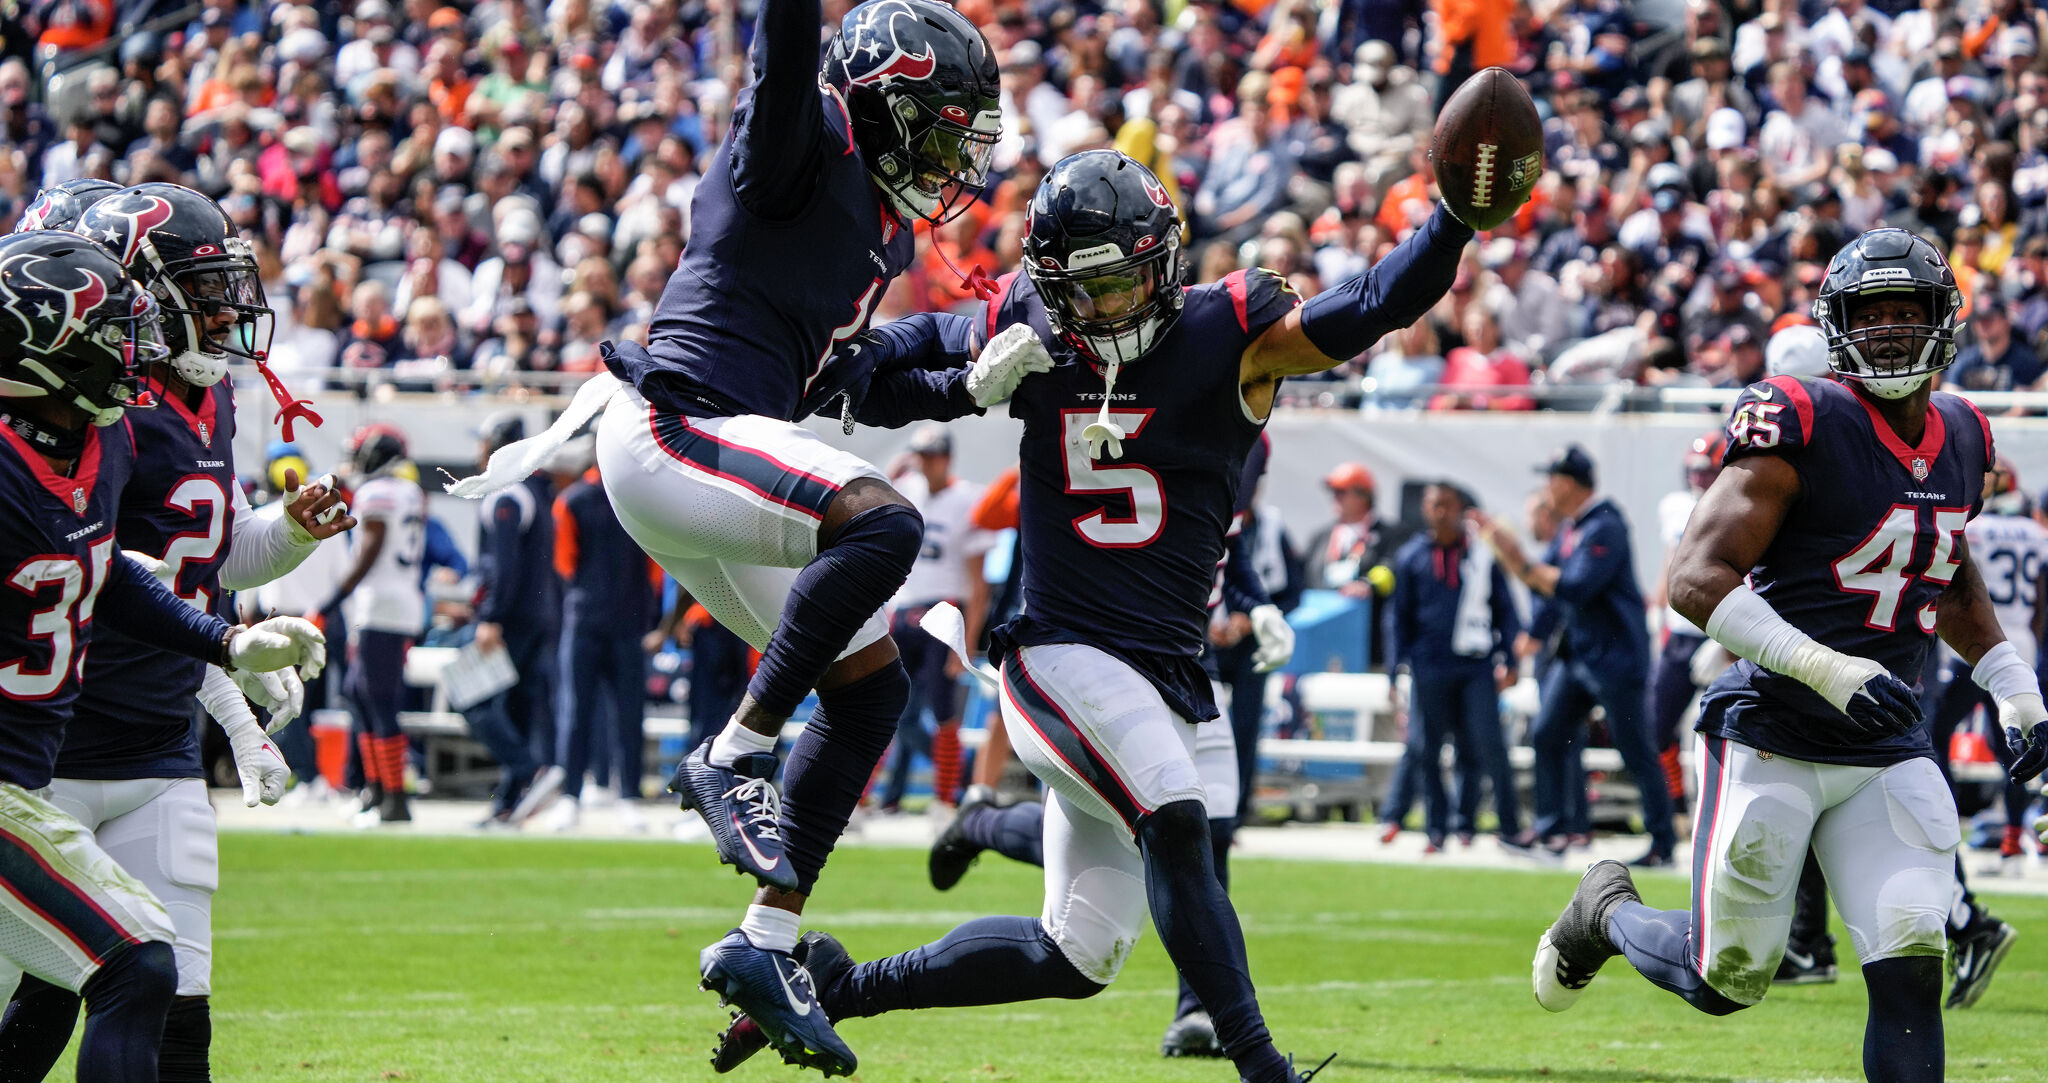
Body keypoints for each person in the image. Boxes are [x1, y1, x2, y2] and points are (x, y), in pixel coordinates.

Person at [714, 148, 1497, 1083]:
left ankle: (838, 985)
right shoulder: (1036, 319)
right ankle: (1260, 1063)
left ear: (1161, 260)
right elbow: (878, 375)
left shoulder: (1228, 329)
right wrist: (954, 376)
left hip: (1167, 671)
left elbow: (1370, 305)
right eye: (1080, 292)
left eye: (1121, 283)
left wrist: (1451, 218)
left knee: (1076, 954)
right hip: (1060, 653)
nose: (1103, 310)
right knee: (1175, 820)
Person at [444, 1, 1025, 1071]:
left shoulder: (880, 224)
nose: (955, 156)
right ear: (882, 104)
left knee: (873, 690)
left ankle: (764, 941)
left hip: (708, 451)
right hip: (671, 424)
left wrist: (973, 386)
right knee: (881, 525)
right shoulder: (800, 143)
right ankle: (732, 750)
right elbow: (784, 45)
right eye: (939, 126)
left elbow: (859, 387)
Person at [1532, 228, 2046, 1083]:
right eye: (1869, 313)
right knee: (1725, 977)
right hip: (1775, 726)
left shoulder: (1966, 436)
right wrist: (1833, 669)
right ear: (1838, 326)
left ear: (1941, 319)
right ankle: (1605, 909)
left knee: (1911, 964)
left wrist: (2013, 687)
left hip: (1887, 747)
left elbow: (1947, 580)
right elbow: (1694, 580)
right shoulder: (1801, 414)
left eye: (1904, 310)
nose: (1886, 329)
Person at [0, 183, 356, 1083]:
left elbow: (136, 569)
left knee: (151, 981)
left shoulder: (121, 424)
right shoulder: (58, 433)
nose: (223, 312)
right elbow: (106, 577)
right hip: (44, 758)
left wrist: (235, 634)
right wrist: (229, 673)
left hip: (140, 746)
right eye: (198, 291)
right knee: (96, 974)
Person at [1475, 445, 1677, 865]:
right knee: (1548, 732)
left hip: (1615, 658)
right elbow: (1544, 588)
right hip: (1580, 655)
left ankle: (1662, 842)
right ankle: (1552, 832)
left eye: (1551, 477)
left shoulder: (1606, 526)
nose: (1546, 486)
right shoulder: (1572, 528)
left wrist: (1513, 554)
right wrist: (1534, 624)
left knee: (1634, 747)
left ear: (1567, 482)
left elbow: (1574, 586)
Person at [1384, 482, 1523, 851]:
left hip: (1475, 665)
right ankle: (1436, 829)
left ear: (1461, 509)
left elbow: (1505, 611)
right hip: (1429, 665)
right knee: (1427, 748)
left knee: (1485, 745)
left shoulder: (1481, 555)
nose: (1440, 511)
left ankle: (1498, 825)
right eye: (1433, 504)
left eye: (1447, 504)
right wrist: (1394, 668)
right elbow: (1398, 618)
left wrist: (1510, 658)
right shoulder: (1413, 556)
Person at [876, 423, 992, 814]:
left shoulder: (968, 498)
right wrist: (894, 473)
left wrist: (968, 642)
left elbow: (979, 584)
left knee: (944, 714)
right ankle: (864, 799)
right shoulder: (908, 489)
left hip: (945, 611)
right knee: (884, 708)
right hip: (903, 608)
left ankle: (946, 798)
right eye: (920, 457)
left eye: (931, 457)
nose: (925, 465)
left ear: (947, 458)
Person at [549, 449, 661, 832]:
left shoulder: (573, 499)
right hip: (625, 620)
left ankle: (574, 797)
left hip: (586, 617)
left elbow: (565, 563)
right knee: (627, 714)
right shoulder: (639, 501)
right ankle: (621, 796)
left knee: (577, 712)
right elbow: (656, 566)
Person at [324, 425, 427, 825]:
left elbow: (369, 551)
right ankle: (377, 789)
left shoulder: (377, 493)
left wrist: (332, 599)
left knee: (378, 699)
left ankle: (395, 797)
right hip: (391, 604)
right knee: (358, 692)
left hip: (383, 605)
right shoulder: (408, 491)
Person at [468, 412, 564, 825]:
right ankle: (508, 802)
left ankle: (530, 772)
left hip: (513, 619)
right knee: (518, 707)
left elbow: (504, 567)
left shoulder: (506, 495)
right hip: (538, 615)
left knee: (477, 704)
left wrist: (491, 616)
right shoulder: (535, 492)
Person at [1645, 432, 1728, 817]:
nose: (1698, 479)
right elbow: (1670, 564)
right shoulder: (1675, 507)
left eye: (1707, 471)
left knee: (1719, 733)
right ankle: (1674, 810)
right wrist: (1658, 610)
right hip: (1679, 635)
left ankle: (1714, 811)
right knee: (1656, 726)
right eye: (1694, 471)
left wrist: (1728, 640)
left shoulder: (1739, 506)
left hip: (1722, 635)